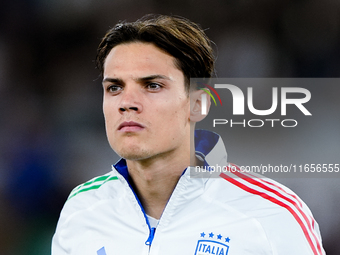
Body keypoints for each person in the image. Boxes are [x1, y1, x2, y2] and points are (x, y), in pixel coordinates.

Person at [52, 14, 325, 255]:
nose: (127, 101)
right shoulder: (81, 211)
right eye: (114, 88)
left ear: (198, 104)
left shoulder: (272, 213)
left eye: (152, 85)